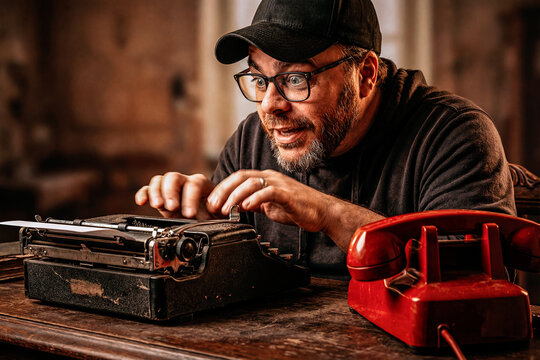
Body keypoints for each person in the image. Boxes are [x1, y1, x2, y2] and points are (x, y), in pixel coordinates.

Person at [135, 0, 515, 278]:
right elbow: (230, 282)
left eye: (296, 79)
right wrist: (205, 225)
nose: (270, 106)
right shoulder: (252, 140)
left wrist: (328, 214)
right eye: (259, 79)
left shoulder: (453, 134)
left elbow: (478, 279)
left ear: (365, 74)